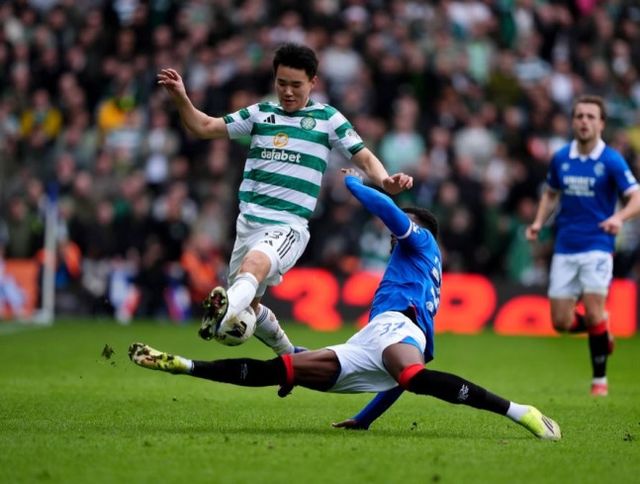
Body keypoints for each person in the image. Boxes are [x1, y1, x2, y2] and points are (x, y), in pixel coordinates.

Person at [129, 169, 561, 440]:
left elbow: (388, 211)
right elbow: (392, 381)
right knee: (286, 368)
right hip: (374, 339)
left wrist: (355, 183)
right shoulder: (415, 271)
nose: (394, 235)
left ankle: (520, 412)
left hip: (398, 327)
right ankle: (184, 364)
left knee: (411, 374)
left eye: (402, 229)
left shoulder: (424, 243)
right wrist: (365, 418)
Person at [157, 43, 413, 355]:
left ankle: (220, 314)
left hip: (288, 225)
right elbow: (204, 126)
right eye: (281, 83)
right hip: (248, 223)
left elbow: (364, 157)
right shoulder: (260, 114)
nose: (288, 92)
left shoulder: (327, 119)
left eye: (296, 85)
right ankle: (290, 355)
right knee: (251, 306)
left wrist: (385, 180)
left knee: (253, 267)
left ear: (313, 82)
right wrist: (181, 97)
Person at [526, 95, 640, 397]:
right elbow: (550, 194)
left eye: (591, 116)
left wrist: (619, 218)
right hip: (565, 245)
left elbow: (636, 197)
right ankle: (602, 329)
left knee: (593, 310)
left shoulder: (611, 160)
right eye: (579, 116)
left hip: (598, 245)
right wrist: (538, 222)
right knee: (561, 322)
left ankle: (599, 380)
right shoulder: (561, 157)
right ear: (573, 121)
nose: (584, 121)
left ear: (601, 123)